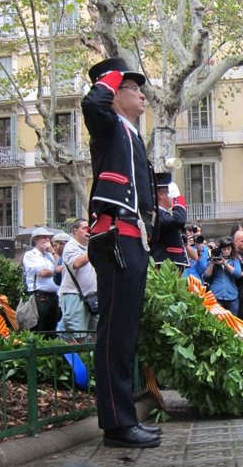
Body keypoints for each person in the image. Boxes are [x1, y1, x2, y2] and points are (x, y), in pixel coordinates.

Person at [82, 56, 161, 447]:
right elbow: (91, 104)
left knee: (125, 333)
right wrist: (111, 76)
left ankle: (123, 417)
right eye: (134, 88)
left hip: (133, 238)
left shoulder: (130, 132)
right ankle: (117, 424)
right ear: (115, 93)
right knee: (114, 333)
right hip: (114, 237)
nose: (142, 95)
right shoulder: (108, 124)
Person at [59, 219, 98, 337]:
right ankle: (75, 356)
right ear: (75, 231)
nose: (88, 230)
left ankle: (91, 356)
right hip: (74, 296)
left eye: (89, 228)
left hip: (93, 297)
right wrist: (94, 248)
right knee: (77, 337)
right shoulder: (70, 246)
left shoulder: (89, 246)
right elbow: (76, 264)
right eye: (84, 228)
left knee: (96, 335)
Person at [22, 227, 60, 334]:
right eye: (43, 237)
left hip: (53, 296)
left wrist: (52, 251)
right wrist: (55, 271)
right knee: (39, 326)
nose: (47, 240)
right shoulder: (30, 255)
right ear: (35, 240)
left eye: (48, 237)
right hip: (39, 296)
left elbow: (61, 264)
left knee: (52, 327)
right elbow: (42, 272)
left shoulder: (49, 255)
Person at [152, 172, 189, 272]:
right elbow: (179, 220)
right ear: (160, 194)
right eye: (171, 193)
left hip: (170, 262)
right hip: (164, 263)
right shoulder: (157, 213)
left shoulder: (164, 214)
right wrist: (177, 198)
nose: (172, 197)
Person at [204, 236, 242, 314]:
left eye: (228, 249)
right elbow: (206, 277)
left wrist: (225, 264)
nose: (226, 251)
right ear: (220, 249)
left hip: (232, 296)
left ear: (232, 249)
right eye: (224, 249)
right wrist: (212, 263)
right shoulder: (213, 259)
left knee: (233, 322)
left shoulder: (234, 260)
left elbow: (238, 274)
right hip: (216, 295)